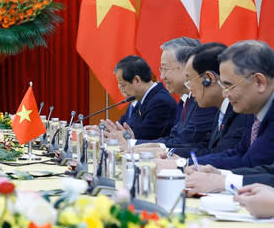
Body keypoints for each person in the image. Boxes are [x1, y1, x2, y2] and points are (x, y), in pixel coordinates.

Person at [184, 40, 274, 194]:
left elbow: (255, 163)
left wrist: (223, 181)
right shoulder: (255, 109)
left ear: (259, 82)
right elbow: (240, 154)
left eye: (229, 86)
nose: (225, 94)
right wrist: (217, 173)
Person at [102, 55, 177, 140]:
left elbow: (140, 136)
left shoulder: (161, 102)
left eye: (123, 85)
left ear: (137, 80)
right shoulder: (141, 99)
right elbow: (123, 125)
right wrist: (103, 131)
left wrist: (114, 134)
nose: (121, 90)